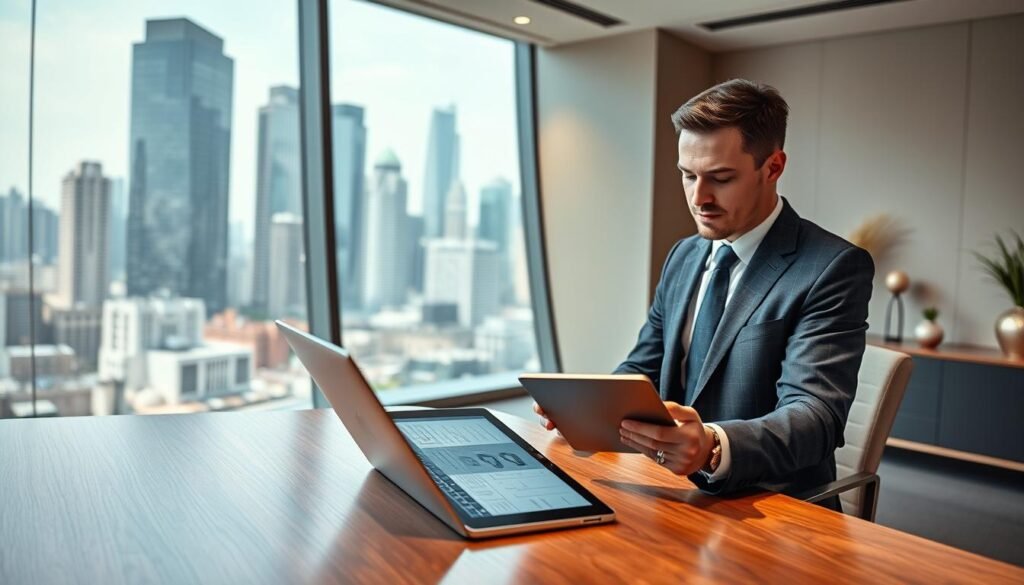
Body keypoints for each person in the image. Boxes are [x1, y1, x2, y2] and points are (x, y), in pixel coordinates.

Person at [534, 79, 874, 507]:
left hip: (773, 507)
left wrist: (714, 446)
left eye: (721, 178)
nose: (699, 198)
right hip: (668, 492)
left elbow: (814, 417)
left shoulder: (831, 267)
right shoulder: (684, 256)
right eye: (687, 175)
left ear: (773, 167)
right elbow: (644, 365)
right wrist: (586, 410)